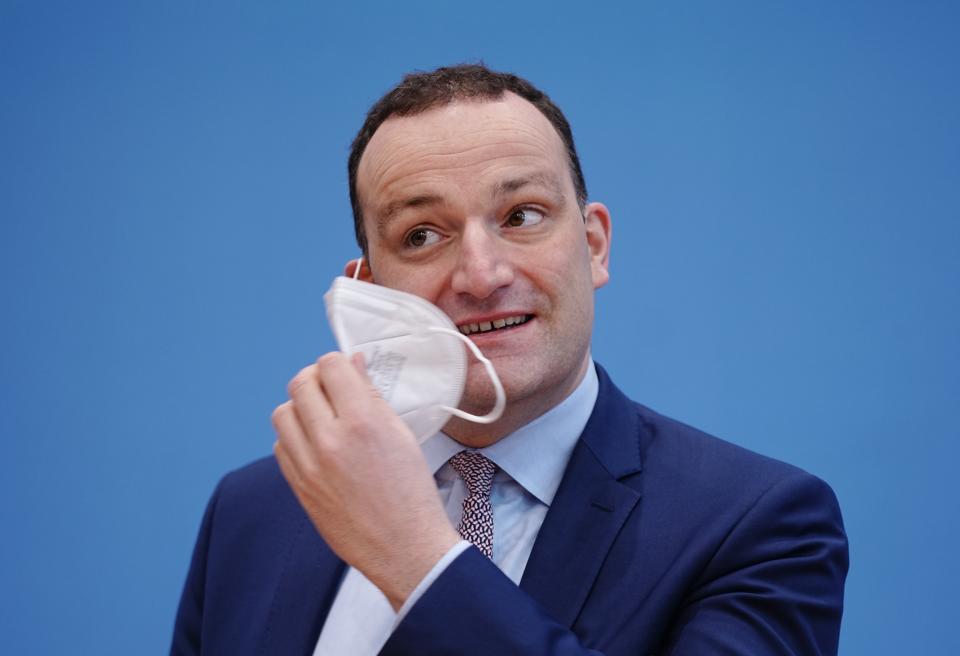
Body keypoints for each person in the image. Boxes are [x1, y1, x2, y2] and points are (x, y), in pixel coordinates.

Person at [171, 64, 848, 655]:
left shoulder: (761, 525)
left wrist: (417, 558)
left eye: (521, 215)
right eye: (422, 234)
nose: (481, 274)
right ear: (366, 293)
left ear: (594, 246)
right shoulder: (254, 510)